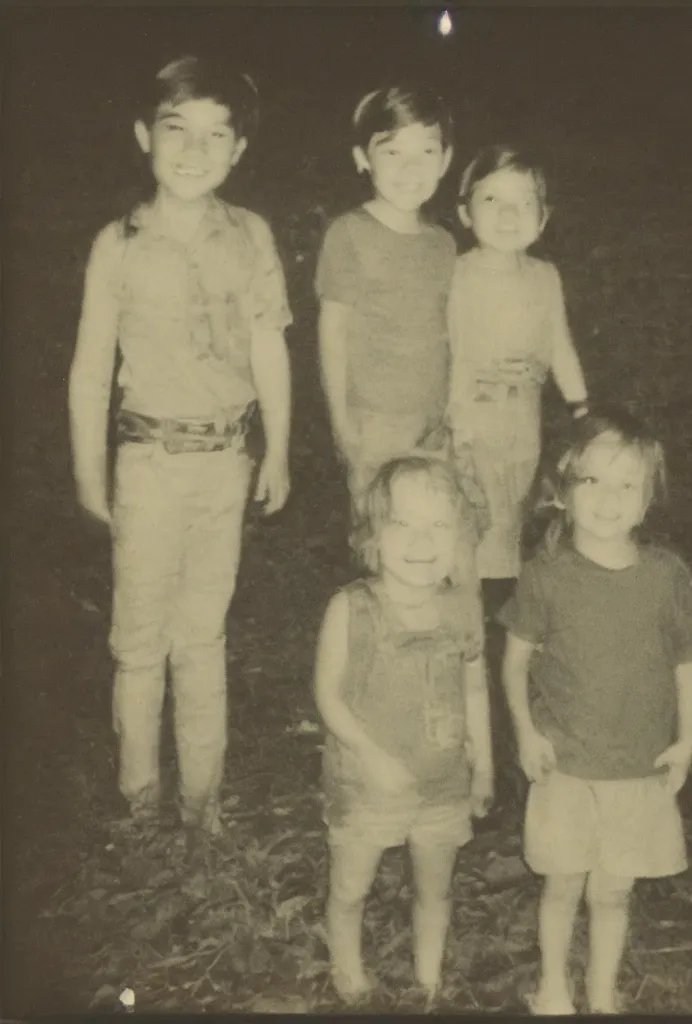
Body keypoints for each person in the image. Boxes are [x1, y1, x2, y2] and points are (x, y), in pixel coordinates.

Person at [68, 55, 292, 836]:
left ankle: (204, 807)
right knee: (139, 642)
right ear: (143, 137)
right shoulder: (118, 242)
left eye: (215, 136)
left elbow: (270, 350)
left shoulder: (252, 236)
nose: (194, 151)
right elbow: (92, 366)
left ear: (238, 152)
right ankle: (139, 805)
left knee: (202, 636)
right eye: (176, 131)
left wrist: (281, 449)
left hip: (224, 462)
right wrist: (88, 474)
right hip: (148, 463)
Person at [498, 406, 692, 1014]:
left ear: (648, 500)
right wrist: (524, 732)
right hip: (565, 764)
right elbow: (514, 663)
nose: (609, 498)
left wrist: (686, 740)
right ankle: (552, 988)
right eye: (592, 480)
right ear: (564, 492)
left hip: (636, 768)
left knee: (614, 893)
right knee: (563, 884)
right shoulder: (546, 576)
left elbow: (689, 660)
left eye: (628, 484)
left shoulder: (667, 577)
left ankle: (601, 992)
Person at [314, 455, 493, 1004]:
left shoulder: (461, 609)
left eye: (439, 525)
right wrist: (369, 755)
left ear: (461, 538)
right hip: (368, 783)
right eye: (402, 523)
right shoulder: (351, 608)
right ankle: (349, 971)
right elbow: (327, 696)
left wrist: (483, 765)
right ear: (373, 535)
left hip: (442, 782)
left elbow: (474, 692)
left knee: (434, 890)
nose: (422, 541)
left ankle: (428, 979)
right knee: (351, 885)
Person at [448, 145, 589, 618]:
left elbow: (559, 345)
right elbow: (440, 349)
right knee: (467, 524)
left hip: (521, 428)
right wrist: (454, 411)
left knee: (507, 526)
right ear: (465, 213)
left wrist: (581, 409)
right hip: (466, 425)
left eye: (524, 202)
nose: (509, 214)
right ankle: (458, 621)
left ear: (543, 218)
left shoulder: (545, 277)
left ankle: (498, 631)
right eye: (492, 201)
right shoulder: (455, 274)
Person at [315, 85, 456, 516]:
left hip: (434, 422)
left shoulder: (444, 243)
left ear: (446, 160)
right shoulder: (349, 233)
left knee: (432, 530)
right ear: (363, 158)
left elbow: (448, 332)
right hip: (374, 422)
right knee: (380, 535)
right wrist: (342, 423)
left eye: (427, 153)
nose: (410, 168)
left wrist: (451, 410)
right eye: (392, 152)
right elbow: (333, 332)